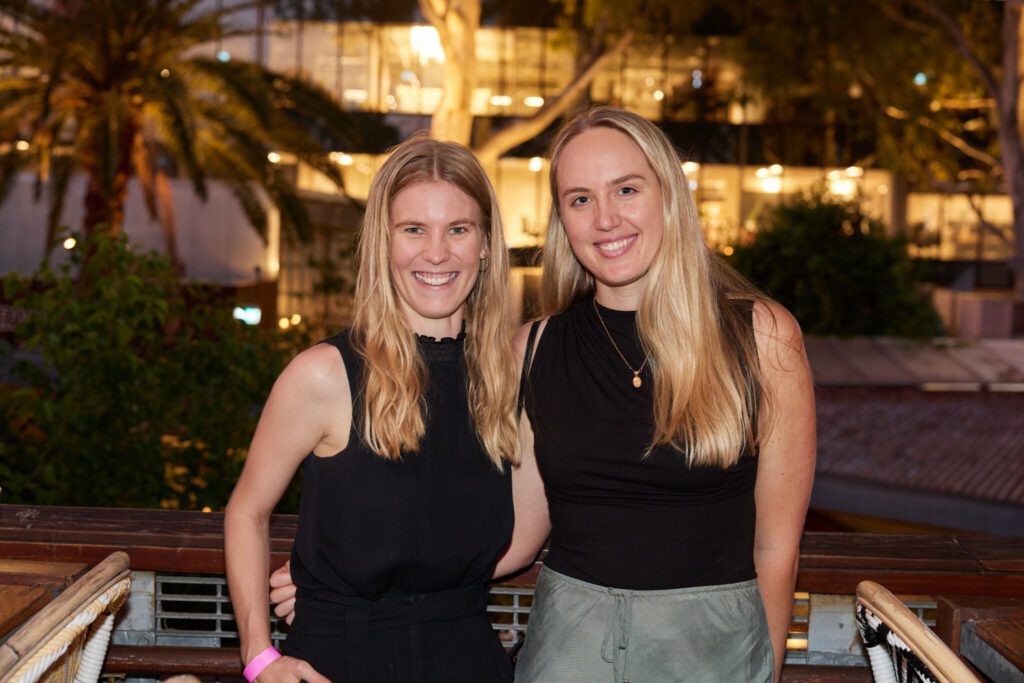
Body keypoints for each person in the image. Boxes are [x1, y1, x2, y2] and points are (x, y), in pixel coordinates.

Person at [271, 106, 816, 683]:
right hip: (568, 651)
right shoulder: (532, 350)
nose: (605, 218)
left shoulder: (761, 337)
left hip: (713, 655)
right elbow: (511, 537)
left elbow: (776, 547)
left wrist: (765, 669)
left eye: (626, 190)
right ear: (563, 220)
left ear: (669, 196)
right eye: (580, 199)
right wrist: (345, 580)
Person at [224, 135, 523, 683]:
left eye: (458, 229)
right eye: (414, 230)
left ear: (485, 244)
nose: (437, 252)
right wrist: (259, 658)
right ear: (383, 243)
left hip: (467, 659)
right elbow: (246, 512)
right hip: (340, 662)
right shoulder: (324, 374)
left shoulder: (505, 379)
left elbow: (529, 530)